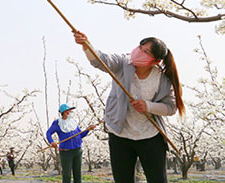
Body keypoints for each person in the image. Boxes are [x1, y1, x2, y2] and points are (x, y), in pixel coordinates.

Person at [73, 30, 185, 183]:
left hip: (150, 136)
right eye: (140, 47)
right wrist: (86, 45)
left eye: (145, 52)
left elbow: (170, 107)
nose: (139, 52)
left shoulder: (162, 80)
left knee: (158, 179)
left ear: (155, 61)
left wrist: (148, 106)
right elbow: (101, 60)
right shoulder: (123, 63)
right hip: (120, 135)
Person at [46, 104, 96, 183]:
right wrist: (52, 142)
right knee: (67, 175)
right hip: (66, 152)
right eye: (69, 110)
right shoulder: (57, 123)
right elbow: (48, 133)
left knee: (78, 174)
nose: (71, 112)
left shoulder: (73, 122)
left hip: (77, 151)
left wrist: (88, 129)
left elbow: (80, 135)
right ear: (64, 112)